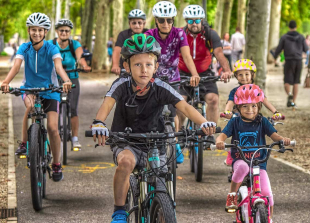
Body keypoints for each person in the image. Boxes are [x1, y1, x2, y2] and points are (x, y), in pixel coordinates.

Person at [91, 34, 216, 223]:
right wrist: (99, 123)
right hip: (127, 141)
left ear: (156, 67)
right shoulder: (121, 85)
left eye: (149, 64)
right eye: (137, 64)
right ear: (127, 67)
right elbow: (107, 105)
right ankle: (119, 211)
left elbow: (185, 107)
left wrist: (203, 122)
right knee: (125, 163)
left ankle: (163, 208)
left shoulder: (161, 86)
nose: (144, 70)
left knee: (162, 180)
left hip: (155, 143)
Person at [0, 13, 72, 182]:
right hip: (30, 89)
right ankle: (25, 144)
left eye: (40, 30)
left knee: (53, 128)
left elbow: (59, 67)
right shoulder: (24, 48)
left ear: (45, 31)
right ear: (29, 30)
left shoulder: (52, 48)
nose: (37, 33)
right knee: (31, 107)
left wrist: (66, 80)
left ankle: (56, 163)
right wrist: (6, 81)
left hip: (51, 90)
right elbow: (16, 66)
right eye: (34, 30)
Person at [215, 84, 292, 222]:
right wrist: (219, 141)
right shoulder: (234, 122)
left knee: (268, 194)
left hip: (259, 163)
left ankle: (269, 219)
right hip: (240, 159)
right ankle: (232, 194)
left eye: (254, 106)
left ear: (259, 107)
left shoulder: (262, 121)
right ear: (238, 107)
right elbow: (222, 136)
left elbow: (274, 136)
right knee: (243, 167)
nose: (250, 110)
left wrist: (283, 140)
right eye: (245, 106)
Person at [145, 2, 204, 163]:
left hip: (172, 78)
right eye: (162, 20)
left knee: (172, 112)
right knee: (153, 112)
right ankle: (153, 145)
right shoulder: (149, 34)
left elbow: (186, 56)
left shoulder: (179, 34)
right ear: (156, 21)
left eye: (169, 20)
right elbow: (144, 56)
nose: (166, 24)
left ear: (173, 21)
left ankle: (176, 143)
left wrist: (194, 74)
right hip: (153, 79)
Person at [177, 4, 231, 162]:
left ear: (202, 20)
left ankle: (209, 134)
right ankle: (180, 132)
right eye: (191, 20)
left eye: (197, 20)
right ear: (186, 21)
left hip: (205, 73)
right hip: (183, 73)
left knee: (213, 99)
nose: (194, 23)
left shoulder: (210, 34)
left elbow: (219, 53)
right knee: (180, 103)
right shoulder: (180, 33)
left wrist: (226, 70)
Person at [222, 59, 283, 168]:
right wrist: (227, 111)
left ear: (252, 75)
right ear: (236, 76)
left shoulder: (256, 90)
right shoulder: (235, 91)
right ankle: (233, 154)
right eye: (240, 75)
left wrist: (275, 112)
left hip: (254, 117)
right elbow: (230, 102)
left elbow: (265, 101)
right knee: (237, 134)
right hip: (239, 116)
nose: (244, 77)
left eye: (247, 74)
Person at [48, 19, 91, 149]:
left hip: (72, 79)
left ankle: (75, 138)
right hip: (54, 80)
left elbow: (80, 57)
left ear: (70, 32)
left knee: (73, 109)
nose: (64, 33)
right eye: (61, 30)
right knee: (53, 109)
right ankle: (52, 138)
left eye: (67, 31)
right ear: (57, 31)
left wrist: (84, 65)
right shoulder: (50, 44)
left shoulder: (74, 44)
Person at [273, 20, 308, 108]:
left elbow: (278, 49)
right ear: (296, 27)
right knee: (296, 82)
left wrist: (275, 57)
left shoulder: (284, 37)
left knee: (287, 81)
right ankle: (293, 102)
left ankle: (289, 94)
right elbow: (306, 49)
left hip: (288, 61)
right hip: (298, 61)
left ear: (289, 27)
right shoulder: (301, 37)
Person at [111, 9, 148, 75]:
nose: (137, 25)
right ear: (129, 24)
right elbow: (117, 50)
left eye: (139, 23)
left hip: (145, 70)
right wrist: (115, 65)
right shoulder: (123, 34)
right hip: (127, 69)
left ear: (144, 24)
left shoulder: (149, 34)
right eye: (134, 23)